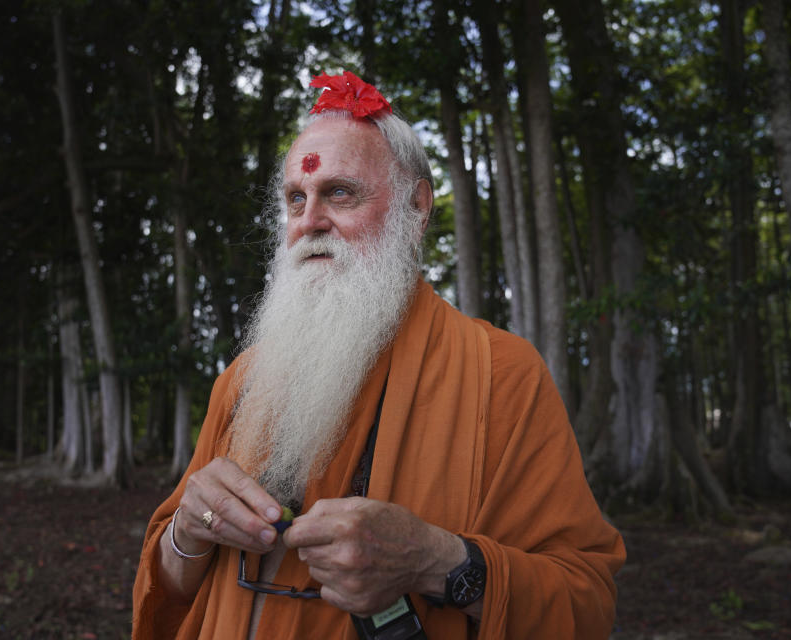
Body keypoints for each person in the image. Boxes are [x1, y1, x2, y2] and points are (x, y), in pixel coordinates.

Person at [132, 70, 625, 640]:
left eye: (339, 193)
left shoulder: (503, 376)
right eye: (297, 198)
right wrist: (187, 532)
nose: (310, 221)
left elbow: (585, 603)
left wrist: (436, 561)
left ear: (415, 208)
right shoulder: (243, 380)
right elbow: (165, 587)